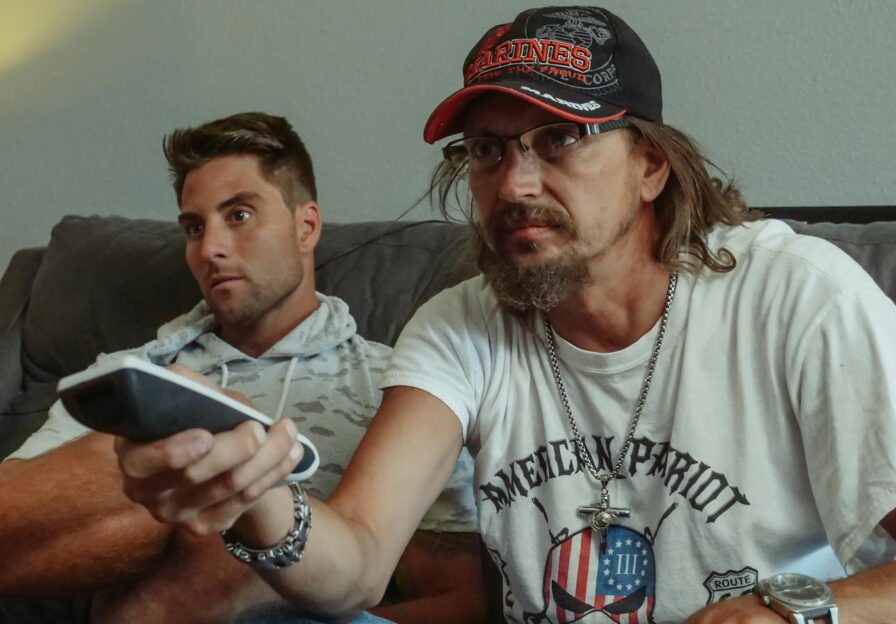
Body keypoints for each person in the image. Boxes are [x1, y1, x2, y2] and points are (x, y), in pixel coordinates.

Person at [115, 7, 896, 624]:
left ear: (650, 165)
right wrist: (253, 485)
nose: (516, 184)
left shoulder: (795, 295)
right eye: (487, 151)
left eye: (560, 138)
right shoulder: (460, 329)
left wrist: (789, 614)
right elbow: (354, 564)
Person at [0, 112, 482, 624]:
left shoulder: (398, 384)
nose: (209, 248)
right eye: (194, 225)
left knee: (168, 460)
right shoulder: (134, 368)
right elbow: (5, 501)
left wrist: (278, 598)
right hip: (32, 602)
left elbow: (461, 595)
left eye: (240, 216)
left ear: (308, 225)